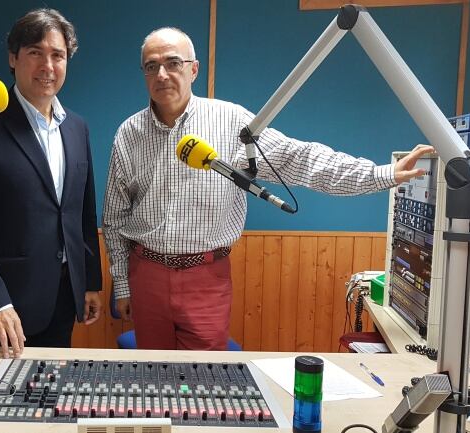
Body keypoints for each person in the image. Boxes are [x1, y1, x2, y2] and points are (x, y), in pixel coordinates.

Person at [102, 27, 434, 351]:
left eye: (172, 62)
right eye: (151, 66)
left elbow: (301, 159)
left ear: (194, 69)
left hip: (205, 277)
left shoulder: (231, 122)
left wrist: (382, 174)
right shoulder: (129, 134)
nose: (161, 74)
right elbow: (115, 218)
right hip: (146, 275)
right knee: (152, 378)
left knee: (202, 381)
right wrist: (122, 285)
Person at [0, 8, 102, 358]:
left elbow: (81, 212)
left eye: (57, 55)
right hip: (4, 308)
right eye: (35, 53)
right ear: (13, 58)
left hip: (64, 298)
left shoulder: (76, 127)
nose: (47, 66)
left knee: (47, 400)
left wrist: (90, 281)